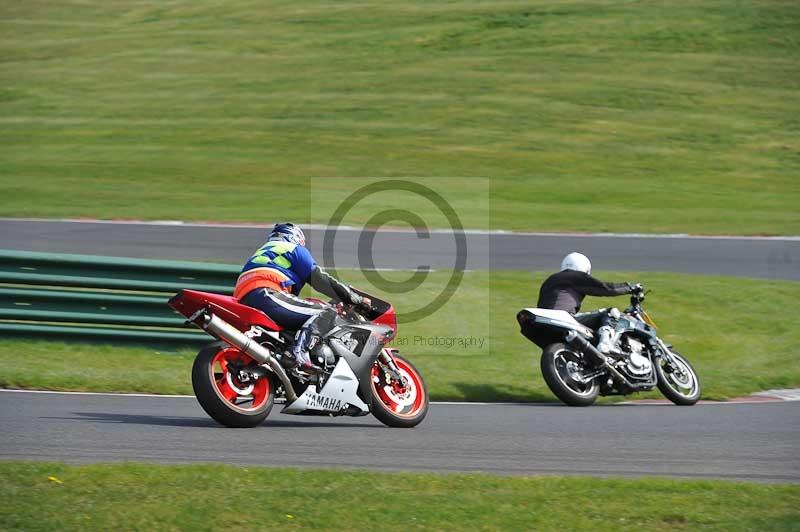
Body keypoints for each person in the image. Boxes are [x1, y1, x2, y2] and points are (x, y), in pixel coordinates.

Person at [234, 223, 368, 372]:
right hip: (266, 293)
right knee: (325, 311)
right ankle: (298, 353)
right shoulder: (291, 248)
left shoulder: (262, 252)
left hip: (245, 299)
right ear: (295, 237)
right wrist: (354, 298)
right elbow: (320, 279)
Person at [537, 252, 640, 355]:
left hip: (543, 324)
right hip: (563, 317)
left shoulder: (549, 281)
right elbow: (606, 288)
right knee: (610, 313)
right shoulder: (575, 276)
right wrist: (630, 287)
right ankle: (605, 343)